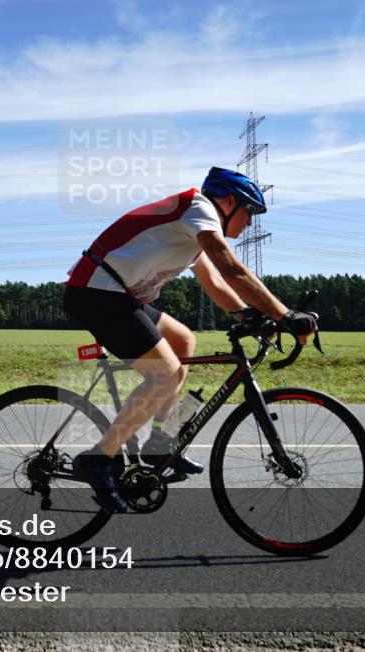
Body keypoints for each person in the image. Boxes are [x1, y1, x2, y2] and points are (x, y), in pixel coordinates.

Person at [63, 167, 319, 512]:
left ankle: (158, 444)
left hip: (118, 296)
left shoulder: (195, 231)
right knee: (165, 373)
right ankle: (97, 458)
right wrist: (283, 314)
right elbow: (231, 268)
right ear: (228, 201)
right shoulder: (197, 208)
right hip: (95, 292)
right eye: (248, 212)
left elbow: (216, 284)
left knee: (184, 343)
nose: (248, 224)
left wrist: (247, 315)